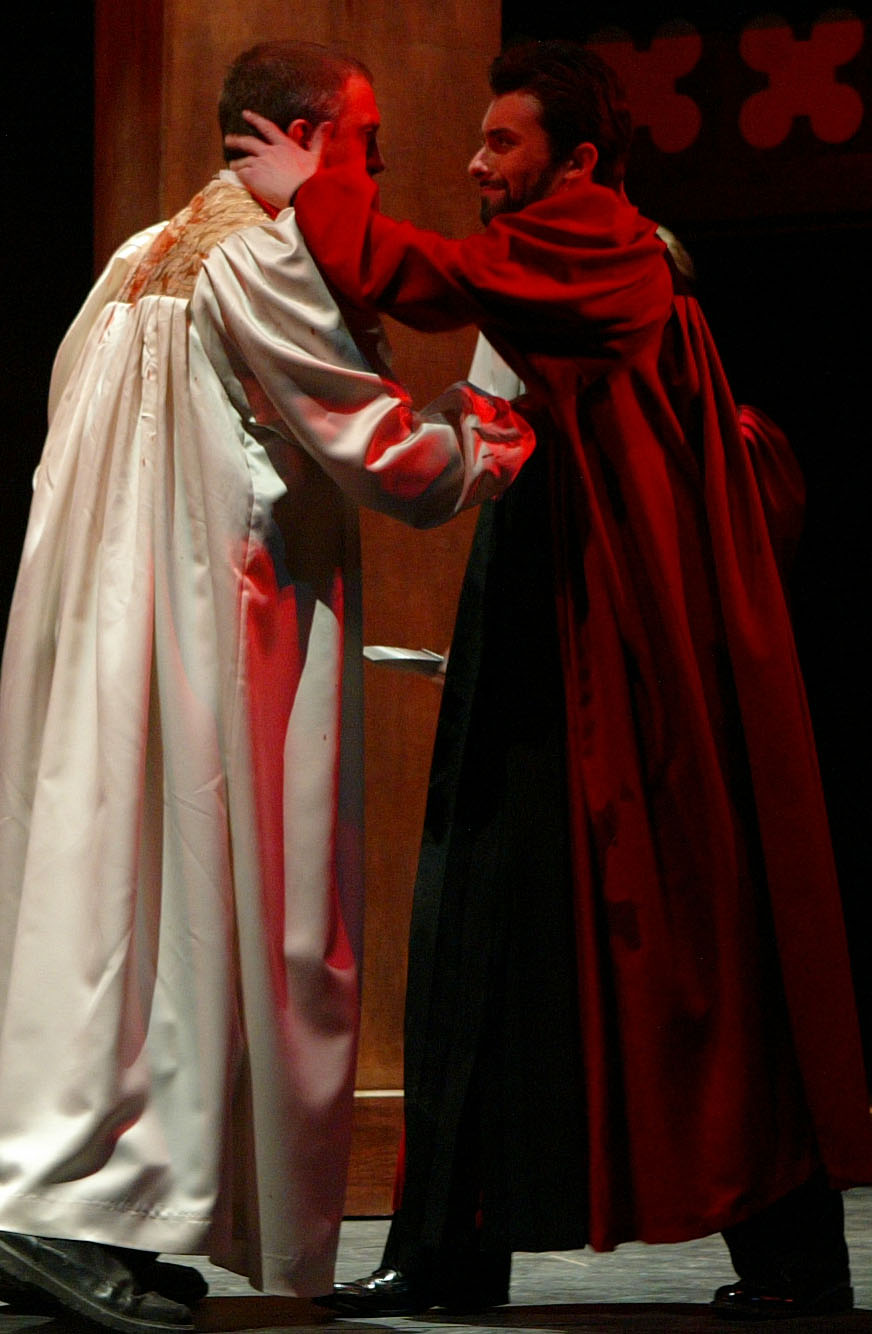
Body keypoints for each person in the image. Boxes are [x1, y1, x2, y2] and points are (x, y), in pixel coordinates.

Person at [226, 37, 872, 1322]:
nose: (474, 164)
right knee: (494, 910)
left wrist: (317, 184)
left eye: (499, 142)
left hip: (617, 633)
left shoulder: (608, 246)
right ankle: (456, 1245)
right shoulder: (564, 254)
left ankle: (783, 1250)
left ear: (575, 161)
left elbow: (428, 278)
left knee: (673, 919)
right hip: (554, 594)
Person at [0, 41, 533, 1334]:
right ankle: (61, 1207)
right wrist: (492, 423)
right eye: (367, 141)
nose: (380, 168)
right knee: (208, 906)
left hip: (105, 627)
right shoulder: (262, 255)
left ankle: (126, 1206)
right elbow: (382, 451)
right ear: (303, 136)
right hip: (213, 624)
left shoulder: (142, 252)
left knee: (131, 907)